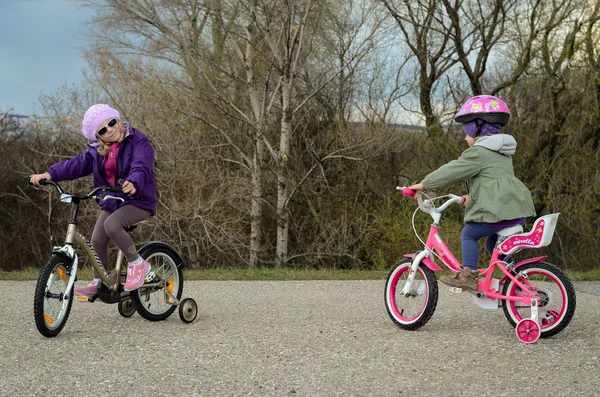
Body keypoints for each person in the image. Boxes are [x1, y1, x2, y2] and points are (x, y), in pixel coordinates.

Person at [408, 95, 535, 290]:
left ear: (477, 128)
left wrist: (424, 184)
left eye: (466, 132)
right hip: (517, 211)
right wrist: (471, 197)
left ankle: (468, 276)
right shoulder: (502, 151)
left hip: (500, 212)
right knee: (493, 247)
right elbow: (493, 181)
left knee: (469, 234)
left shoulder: (478, 152)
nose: (465, 137)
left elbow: (452, 170)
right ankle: (516, 279)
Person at [30, 104, 157, 297]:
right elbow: (74, 165)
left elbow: (141, 164)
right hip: (114, 201)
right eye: (103, 130)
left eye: (112, 123)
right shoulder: (98, 151)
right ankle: (100, 282)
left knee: (112, 225)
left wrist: (133, 181)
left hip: (138, 199)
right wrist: (49, 174)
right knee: (97, 239)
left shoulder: (137, 140)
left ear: (118, 119)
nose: (110, 129)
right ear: (98, 137)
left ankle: (137, 264)